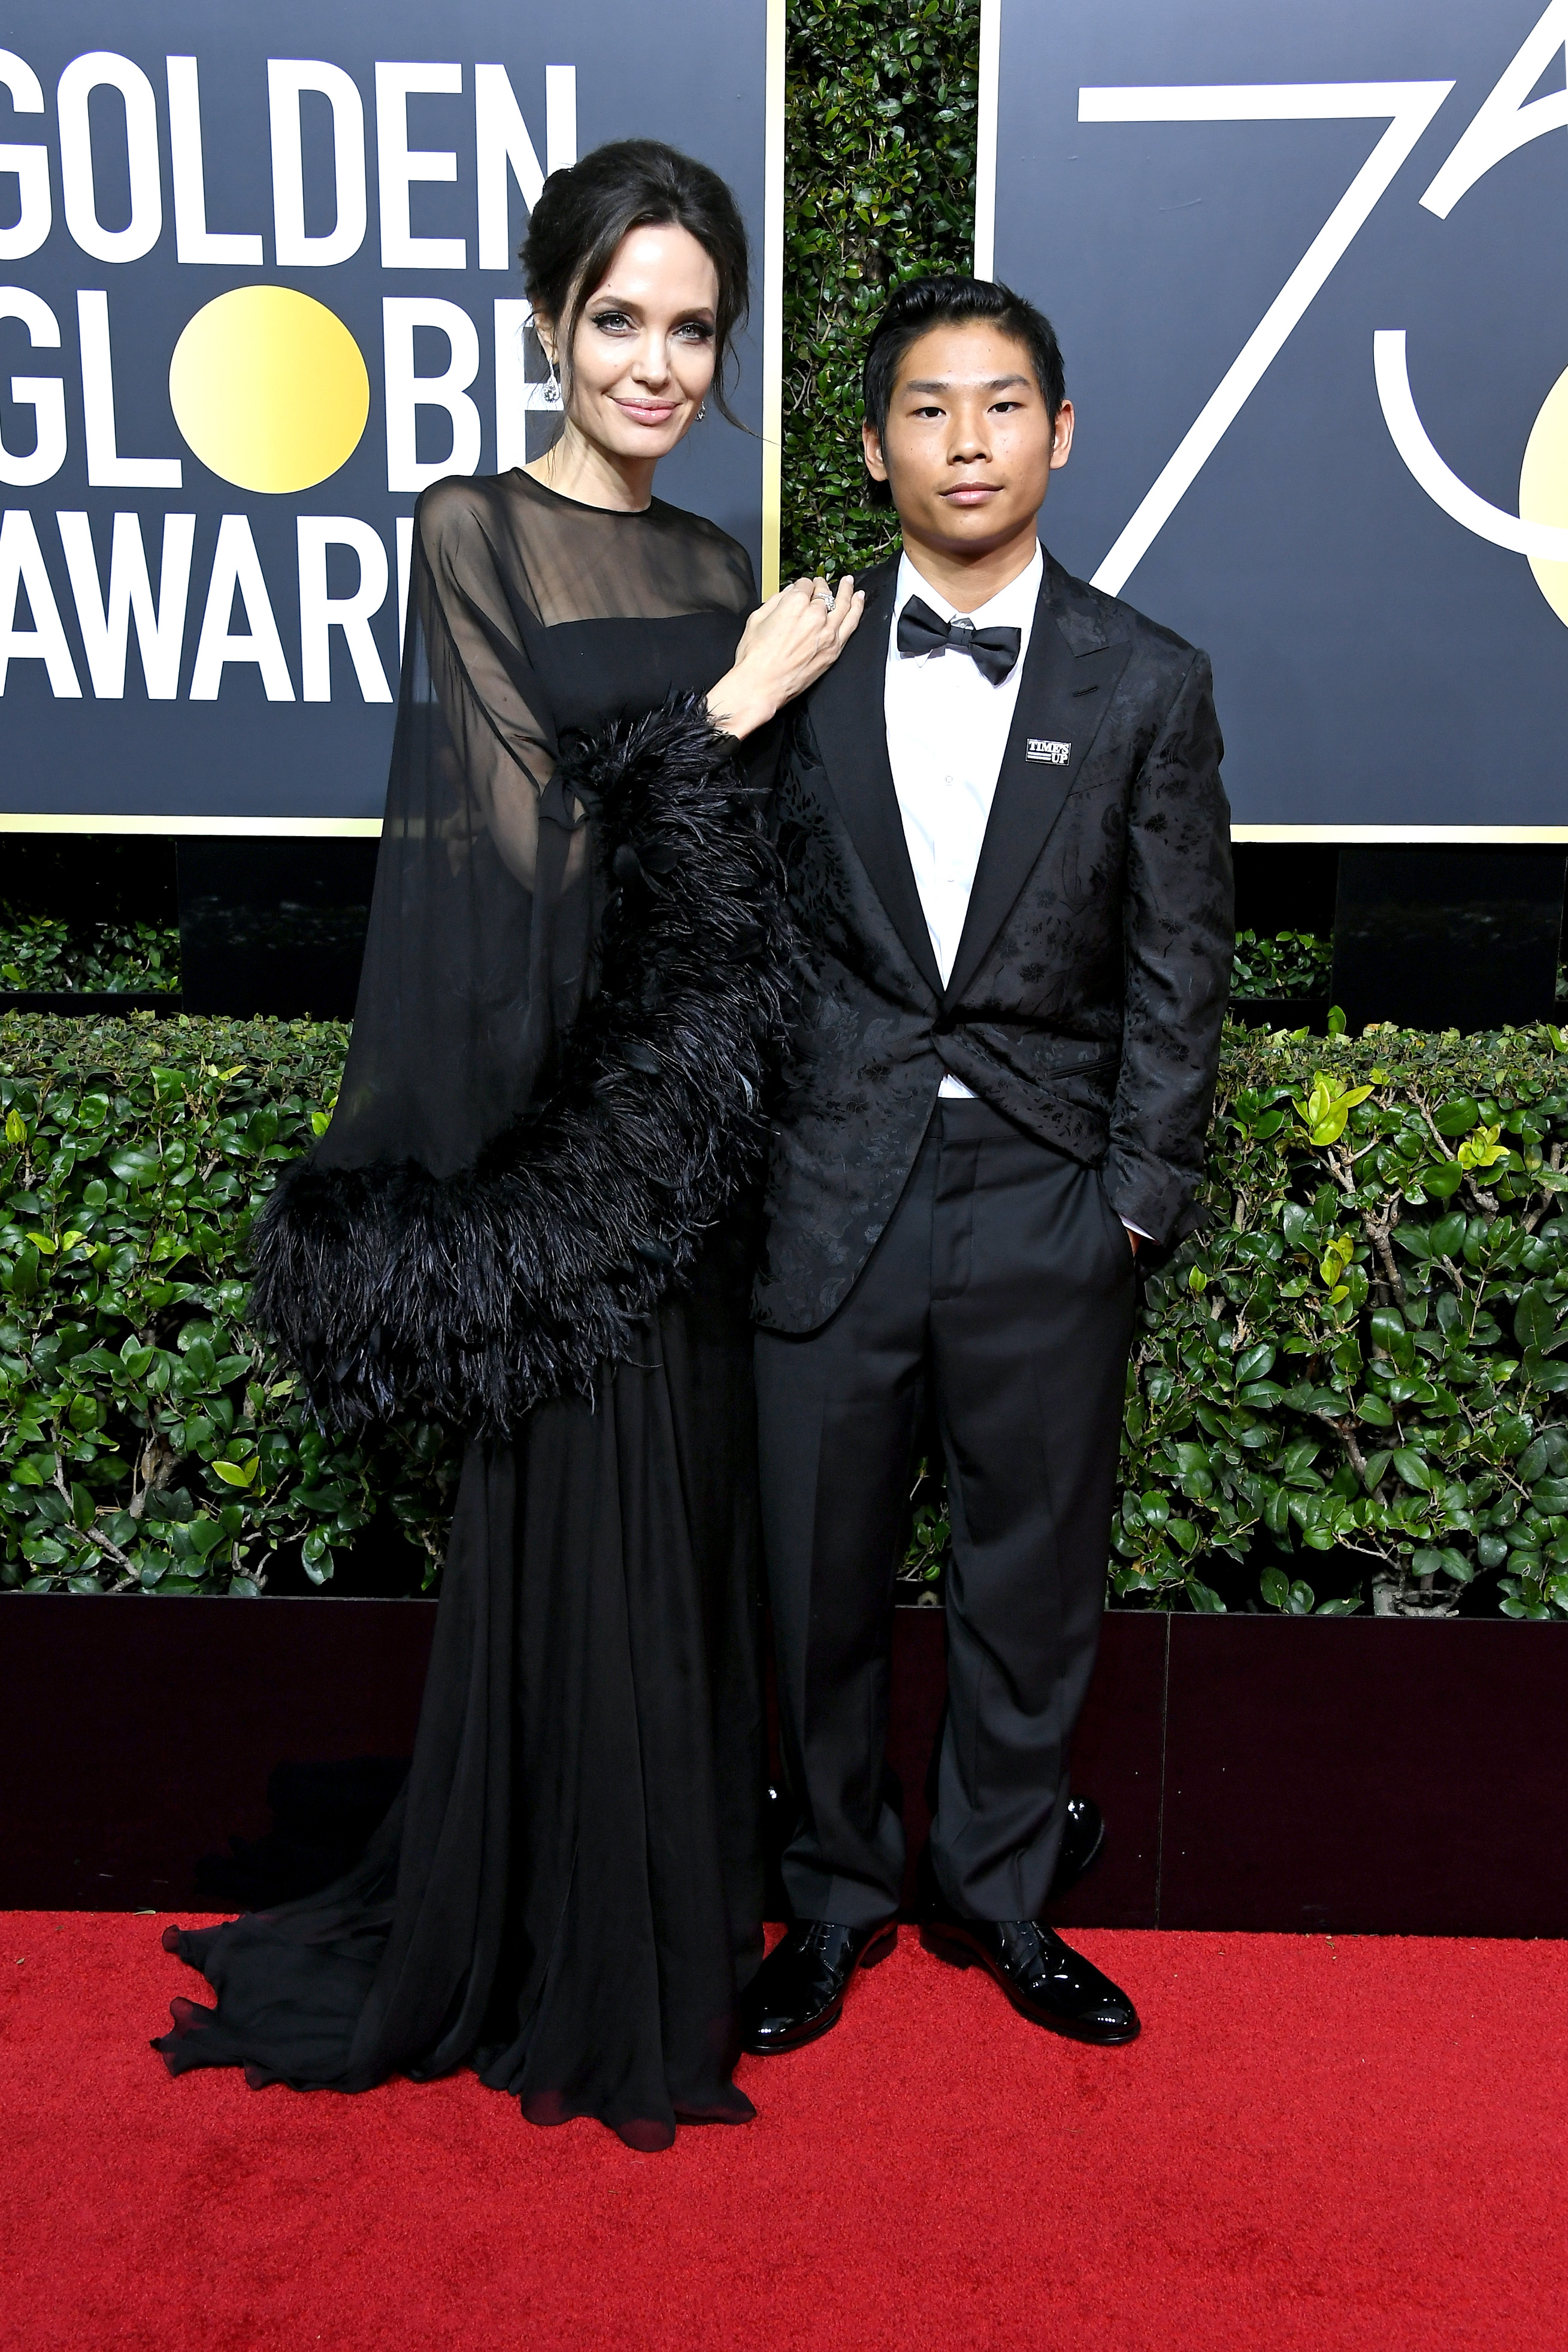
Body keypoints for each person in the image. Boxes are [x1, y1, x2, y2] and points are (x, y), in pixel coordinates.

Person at [153, 140, 862, 2151]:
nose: (655, 362)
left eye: (691, 327)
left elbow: (739, 890)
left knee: (688, 1554)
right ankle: (549, 1952)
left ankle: (655, 1931)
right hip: (562, 1169)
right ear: (550, 323)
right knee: (580, 1549)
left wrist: (737, 737)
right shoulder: (474, 528)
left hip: (695, 1157)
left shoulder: (722, 559)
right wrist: (724, 716)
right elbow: (507, 858)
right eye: (619, 319)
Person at [743, 275, 1232, 2055]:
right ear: (873, 447)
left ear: (1060, 432)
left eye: (1003, 404)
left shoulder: (1148, 680)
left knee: (1030, 1575)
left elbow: (1183, 967)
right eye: (931, 409)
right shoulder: (793, 653)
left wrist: (1133, 1201)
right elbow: (715, 931)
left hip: (1044, 1199)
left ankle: (1006, 1896)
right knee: (813, 1578)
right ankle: (827, 1901)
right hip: (828, 1191)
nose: (968, 440)